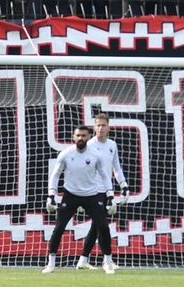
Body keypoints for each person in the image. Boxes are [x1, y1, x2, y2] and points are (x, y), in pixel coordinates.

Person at [45, 124, 114, 274]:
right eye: (78, 135)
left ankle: (108, 262)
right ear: (73, 137)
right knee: (59, 228)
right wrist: (51, 195)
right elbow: (55, 175)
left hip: (92, 195)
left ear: (89, 137)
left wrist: (110, 195)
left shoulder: (96, 155)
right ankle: (51, 263)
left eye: (83, 136)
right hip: (71, 195)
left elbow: (104, 175)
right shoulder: (66, 154)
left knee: (103, 226)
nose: (80, 138)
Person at [84, 114, 130, 273]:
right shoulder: (89, 145)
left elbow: (116, 167)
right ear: (94, 127)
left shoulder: (112, 145)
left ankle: (83, 259)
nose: (101, 128)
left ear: (108, 127)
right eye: (98, 125)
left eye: (103, 125)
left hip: (107, 190)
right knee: (102, 225)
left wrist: (123, 185)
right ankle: (107, 260)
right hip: (93, 191)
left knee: (97, 225)